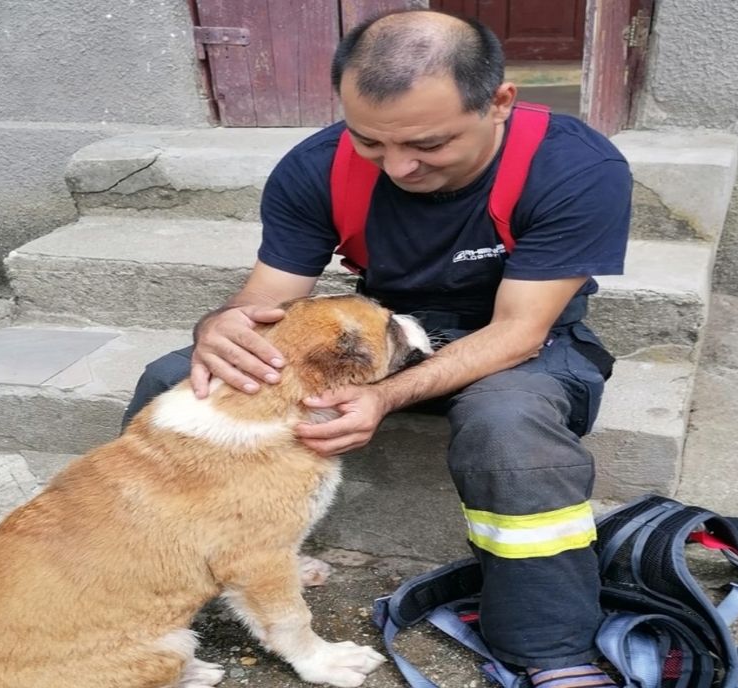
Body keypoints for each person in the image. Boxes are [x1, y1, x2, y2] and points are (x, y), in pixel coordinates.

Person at [123, 9, 631, 687]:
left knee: (511, 429)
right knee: (175, 381)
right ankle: (165, 575)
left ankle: (551, 646)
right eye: (371, 142)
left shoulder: (572, 166)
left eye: (428, 143)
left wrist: (383, 396)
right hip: (383, 329)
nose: (398, 167)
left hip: (520, 338)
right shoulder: (318, 167)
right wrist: (219, 327)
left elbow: (518, 332)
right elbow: (263, 303)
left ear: (499, 101)